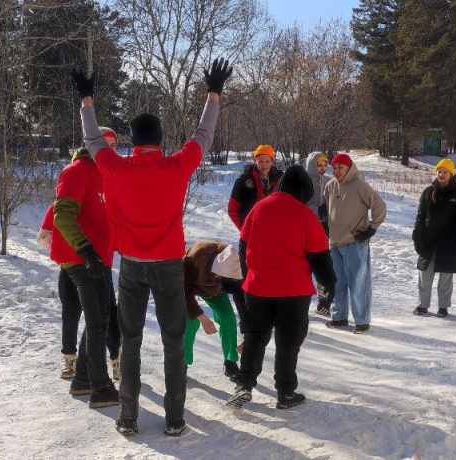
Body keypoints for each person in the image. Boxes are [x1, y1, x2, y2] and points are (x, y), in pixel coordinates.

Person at [72, 58, 233, 437]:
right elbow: (203, 135)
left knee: (130, 342)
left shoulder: (116, 167)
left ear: (132, 141)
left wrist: (86, 100)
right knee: (174, 342)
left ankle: (128, 418)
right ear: (160, 139)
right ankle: (175, 420)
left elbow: (93, 140)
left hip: (131, 266)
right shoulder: (176, 165)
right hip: (167, 267)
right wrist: (213, 94)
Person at [226, 165, 336, 410]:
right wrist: (329, 284)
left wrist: (249, 277)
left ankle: (244, 384)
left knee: (255, 337)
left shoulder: (258, 208)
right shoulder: (306, 216)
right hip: (293, 291)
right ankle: (285, 393)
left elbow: (243, 246)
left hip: (258, 287)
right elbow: (320, 258)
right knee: (288, 341)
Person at [44, 141, 119, 409]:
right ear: (91, 145)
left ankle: (82, 379)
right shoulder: (77, 170)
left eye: (114, 144)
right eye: (104, 144)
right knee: (98, 323)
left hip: (100, 259)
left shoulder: (105, 175)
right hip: (83, 259)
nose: (109, 148)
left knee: (100, 320)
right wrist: (86, 250)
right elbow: (62, 216)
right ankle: (100, 388)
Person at [323, 153, 387, 334]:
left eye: (340, 168)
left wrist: (371, 228)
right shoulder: (329, 186)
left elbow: (380, 207)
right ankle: (339, 317)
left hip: (354, 243)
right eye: (334, 168)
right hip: (334, 243)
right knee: (337, 283)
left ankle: (362, 321)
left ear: (349, 168)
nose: (336, 172)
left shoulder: (360, 185)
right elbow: (327, 210)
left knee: (358, 283)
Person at [412, 158, 456, 318]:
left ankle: (443, 307)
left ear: (451, 174)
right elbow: (420, 216)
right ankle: (422, 305)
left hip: (449, 243)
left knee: (445, 278)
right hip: (428, 242)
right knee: (425, 275)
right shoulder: (428, 192)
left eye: (445, 171)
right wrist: (417, 237)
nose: (441, 174)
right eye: (439, 171)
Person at [182, 241, 248, 383]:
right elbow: (184, 292)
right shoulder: (196, 258)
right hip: (190, 285)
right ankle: (182, 363)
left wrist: (247, 331)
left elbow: (241, 300)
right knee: (190, 321)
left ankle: (230, 361)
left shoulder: (235, 263)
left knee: (227, 316)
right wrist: (202, 317)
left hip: (215, 290)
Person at [229, 144, 282, 276]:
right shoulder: (243, 181)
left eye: (267, 161)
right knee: (250, 274)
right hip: (250, 238)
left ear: (272, 161)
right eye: (260, 161)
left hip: (274, 236)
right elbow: (232, 209)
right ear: (254, 161)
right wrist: (244, 229)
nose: (264, 165)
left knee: (272, 273)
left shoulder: (281, 180)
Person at [305, 153, 332, 316]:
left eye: (324, 165)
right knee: (305, 266)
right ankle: (302, 299)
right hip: (306, 229)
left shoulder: (328, 181)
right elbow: (299, 206)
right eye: (318, 165)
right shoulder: (304, 181)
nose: (322, 169)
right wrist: (317, 210)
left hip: (323, 229)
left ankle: (323, 301)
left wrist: (328, 213)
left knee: (323, 266)